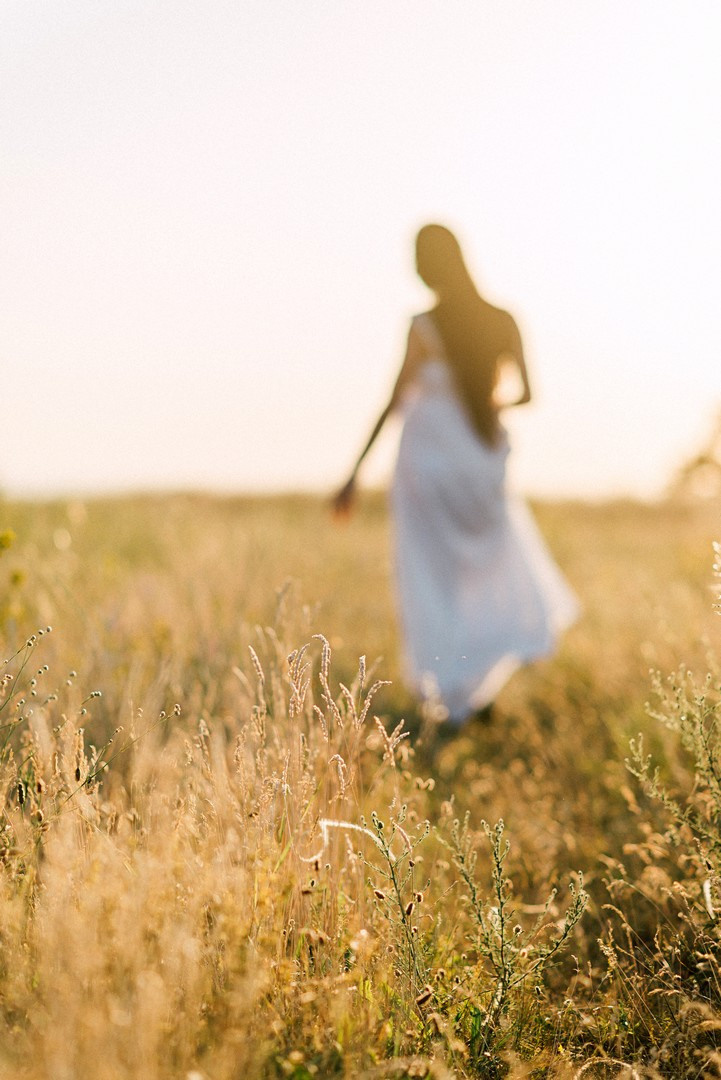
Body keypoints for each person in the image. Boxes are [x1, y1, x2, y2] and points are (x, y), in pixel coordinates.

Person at [333, 224, 578, 725]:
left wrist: (355, 472)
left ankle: (450, 692)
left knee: (431, 580)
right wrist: (485, 406)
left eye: (418, 257)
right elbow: (528, 394)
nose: (414, 267)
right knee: (483, 571)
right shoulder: (502, 320)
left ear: (431, 263)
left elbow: (393, 402)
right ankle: (471, 690)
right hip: (479, 466)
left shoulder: (423, 326)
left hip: (426, 468)